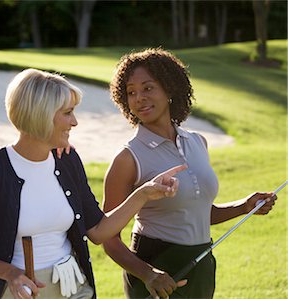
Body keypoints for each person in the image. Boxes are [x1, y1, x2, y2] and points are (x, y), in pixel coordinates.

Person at [0, 68, 187, 299]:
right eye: (68, 113)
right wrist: (10, 274)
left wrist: (144, 194)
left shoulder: (67, 160)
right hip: (18, 291)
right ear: (41, 114)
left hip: (72, 286)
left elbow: (98, 232)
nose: (75, 122)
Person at [102, 47, 277, 299]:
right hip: (155, 269)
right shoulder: (128, 158)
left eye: (148, 88)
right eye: (131, 92)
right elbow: (108, 236)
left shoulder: (197, 142)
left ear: (170, 88)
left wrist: (243, 206)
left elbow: (196, 213)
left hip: (201, 263)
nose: (139, 98)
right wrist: (147, 273)